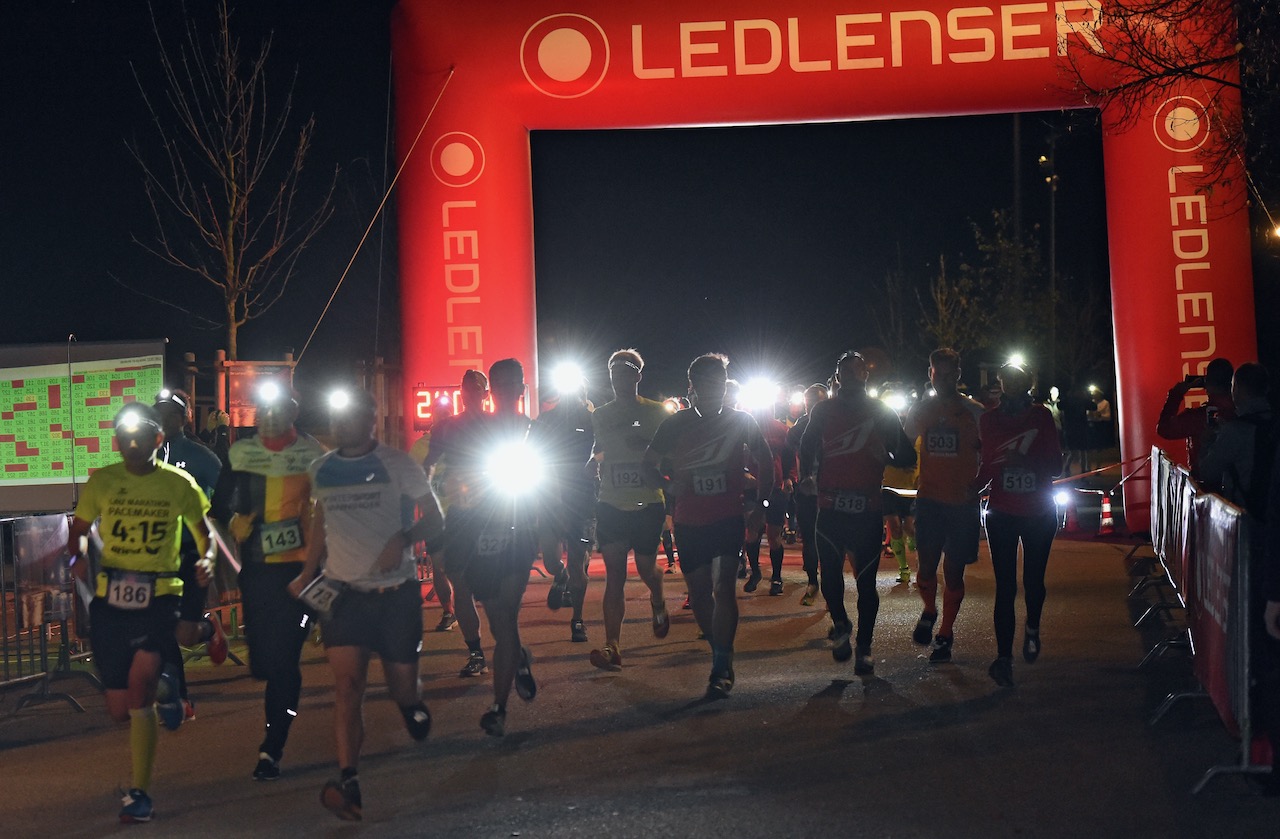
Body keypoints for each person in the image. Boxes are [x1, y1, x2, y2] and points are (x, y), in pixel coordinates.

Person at [287, 389, 444, 821]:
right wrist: (306, 572)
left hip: (395, 594)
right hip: (344, 595)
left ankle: (411, 705)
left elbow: (436, 520)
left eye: (351, 417)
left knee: (402, 689)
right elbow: (321, 520)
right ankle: (349, 781)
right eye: (337, 418)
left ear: (371, 419)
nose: (341, 425)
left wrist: (404, 539)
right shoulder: (322, 468)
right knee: (347, 688)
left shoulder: (399, 465)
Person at [66, 403, 217, 824]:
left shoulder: (180, 484)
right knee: (119, 710)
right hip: (111, 601)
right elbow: (79, 531)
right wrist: (78, 554)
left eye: (141, 435)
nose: (132, 443)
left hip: (160, 596)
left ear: (158, 440)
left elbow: (205, 536)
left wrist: (206, 562)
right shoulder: (104, 482)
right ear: (116, 443)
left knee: (138, 693)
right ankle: (167, 684)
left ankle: (140, 793)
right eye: (124, 436)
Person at [643, 354, 774, 698]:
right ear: (692, 387)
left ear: (726, 385)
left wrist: (761, 504)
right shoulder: (676, 424)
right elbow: (648, 464)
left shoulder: (741, 420)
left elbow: (765, 458)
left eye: (718, 382)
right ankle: (719, 649)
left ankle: (721, 663)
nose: (712, 389)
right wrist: (668, 485)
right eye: (704, 382)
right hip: (689, 520)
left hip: (727, 518)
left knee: (723, 588)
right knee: (700, 593)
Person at [222, 382, 326, 780]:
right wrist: (235, 519)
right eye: (264, 412)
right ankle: (276, 720)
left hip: (297, 572)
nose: (269, 419)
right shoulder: (242, 454)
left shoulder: (311, 454)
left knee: (284, 661)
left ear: (293, 414)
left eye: (278, 412)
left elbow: (328, 508)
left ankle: (272, 747)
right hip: (257, 570)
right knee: (263, 663)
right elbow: (221, 498)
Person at [436, 359, 540, 736]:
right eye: (499, 384)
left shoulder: (533, 430)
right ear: (490, 390)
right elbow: (454, 475)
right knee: (499, 623)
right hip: (481, 534)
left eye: (513, 384)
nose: (506, 390)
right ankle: (521, 658)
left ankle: (498, 707)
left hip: (518, 529)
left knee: (506, 616)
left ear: (523, 388)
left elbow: (552, 481)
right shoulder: (473, 430)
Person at [799, 351, 914, 674]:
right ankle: (841, 623)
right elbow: (806, 446)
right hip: (830, 506)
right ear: (837, 376)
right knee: (830, 576)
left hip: (866, 507)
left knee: (866, 584)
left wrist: (887, 454)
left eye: (857, 370)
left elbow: (906, 454)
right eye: (844, 372)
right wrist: (806, 475)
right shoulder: (823, 410)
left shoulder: (880, 411)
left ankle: (864, 647)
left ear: (865, 375)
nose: (850, 376)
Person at [978, 364, 1063, 687]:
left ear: (1027, 384)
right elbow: (987, 465)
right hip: (1001, 511)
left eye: (1017, 381)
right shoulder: (988, 420)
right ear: (1000, 384)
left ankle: (1032, 627)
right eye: (1006, 381)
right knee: (1005, 586)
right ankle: (1003, 658)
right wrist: (971, 487)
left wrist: (1023, 461)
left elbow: (1055, 465)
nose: (1011, 386)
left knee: (1033, 580)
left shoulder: (1041, 417)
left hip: (1038, 511)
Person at [587, 349, 671, 670]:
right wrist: (591, 463)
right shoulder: (600, 414)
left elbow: (671, 456)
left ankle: (657, 596)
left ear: (638, 375)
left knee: (647, 568)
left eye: (626, 373)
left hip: (648, 502)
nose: (619, 379)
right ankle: (612, 646)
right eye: (614, 374)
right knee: (615, 577)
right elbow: (599, 451)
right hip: (611, 503)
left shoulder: (658, 413)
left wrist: (649, 453)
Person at [903, 349, 986, 664]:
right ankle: (929, 610)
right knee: (925, 568)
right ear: (930, 374)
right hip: (929, 500)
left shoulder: (975, 413)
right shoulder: (921, 410)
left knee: (954, 572)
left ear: (959, 375)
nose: (944, 380)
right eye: (938, 374)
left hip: (962, 504)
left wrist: (980, 480)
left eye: (951, 374)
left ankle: (945, 634)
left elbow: (989, 454)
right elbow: (904, 447)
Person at [153, 389, 228, 721]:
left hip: (190, 552)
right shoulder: (145, 456)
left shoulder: (200, 457)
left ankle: (208, 629)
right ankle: (178, 699)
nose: (164, 419)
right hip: (154, 557)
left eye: (171, 413)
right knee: (161, 628)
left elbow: (227, 494)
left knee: (183, 634)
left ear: (184, 418)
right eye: (160, 413)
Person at [424, 370, 491, 676]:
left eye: (476, 388)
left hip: (497, 514)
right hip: (460, 515)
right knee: (460, 584)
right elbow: (428, 464)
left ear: (485, 392)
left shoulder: (499, 424)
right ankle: (476, 652)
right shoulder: (447, 427)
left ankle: (508, 644)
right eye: (466, 389)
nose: (470, 393)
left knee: (502, 588)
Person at [531, 373, 597, 643]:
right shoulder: (545, 420)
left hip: (583, 500)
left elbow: (606, 449)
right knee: (549, 558)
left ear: (582, 393)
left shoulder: (594, 419)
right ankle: (560, 576)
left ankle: (578, 621)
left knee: (579, 562)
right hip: (551, 499)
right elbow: (532, 453)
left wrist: (598, 463)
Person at [1198, 362, 1274, 516]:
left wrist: (1207, 442)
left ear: (1237, 387)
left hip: (1246, 517)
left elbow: (1207, 472)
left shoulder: (1235, 431)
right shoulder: (1274, 425)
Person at [743, 399, 796, 596]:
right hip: (751, 489)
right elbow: (733, 456)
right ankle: (755, 572)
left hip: (775, 489)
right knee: (751, 532)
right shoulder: (743, 429)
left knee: (774, 535)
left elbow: (791, 456)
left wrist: (790, 478)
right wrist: (743, 472)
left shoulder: (782, 429)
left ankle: (776, 577)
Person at [1156, 358, 1236, 479]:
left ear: (1206, 382)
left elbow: (1164, 429)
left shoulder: (1198, 417)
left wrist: (1175, 395)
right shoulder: (1240, 412)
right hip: (1238, 487)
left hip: (1205, 486)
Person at [787, 383, 828, 605]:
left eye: (817, 403)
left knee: (832, 540)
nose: (813, 407)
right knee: (810, 539)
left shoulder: (836, 423)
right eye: (810, 403)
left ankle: (830, 583)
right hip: (807, 491)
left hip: (832, 490)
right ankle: (813, 581)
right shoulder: (800, 426)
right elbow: (787, 448)